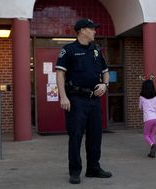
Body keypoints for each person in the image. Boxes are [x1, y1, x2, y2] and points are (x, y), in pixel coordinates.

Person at [56, 18, 112, 184]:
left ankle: (93, 168)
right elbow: (60, 74)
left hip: (94, 100)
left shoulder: (96, 50)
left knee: (95, 136)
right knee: (76, 136)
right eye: (92, 28)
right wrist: (63, 96)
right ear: (82, 30)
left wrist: (105, 85)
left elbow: (106, 71)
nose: (95, 31)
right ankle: (75, 171)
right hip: (76, 100)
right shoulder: (68, 50)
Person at [139, 79, 156, 158]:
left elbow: (140, 107)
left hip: (148, 119)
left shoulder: (141, 97)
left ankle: (152, 145)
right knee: (152, 135)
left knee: (146, 135)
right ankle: (152, 152)